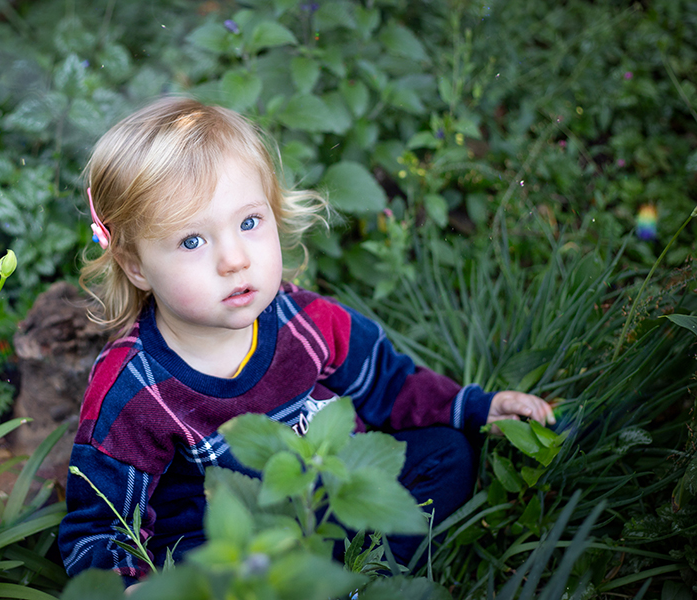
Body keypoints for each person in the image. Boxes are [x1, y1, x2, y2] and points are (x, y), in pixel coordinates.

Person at [57, 96, 554, 587]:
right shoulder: (133, 389)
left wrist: (475, 407)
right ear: (136, 264)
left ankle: (367, 579)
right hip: (236, 548)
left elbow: (389, 383)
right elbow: (100, 523)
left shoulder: (306, 321)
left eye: (249, 223)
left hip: (327, 502)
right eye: (192, 241)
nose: (234, 259)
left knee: (447, 453)